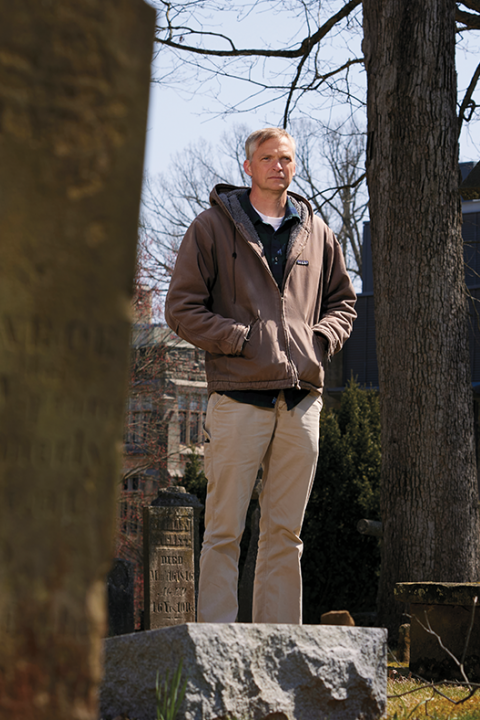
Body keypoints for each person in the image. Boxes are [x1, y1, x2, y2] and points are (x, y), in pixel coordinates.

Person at [165, 127, 357, 624]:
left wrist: (318, 342)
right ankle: (216, 641)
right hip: (237, 398)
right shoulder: (211, 227)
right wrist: (238, 339)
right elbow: (181, 308)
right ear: (248, 166)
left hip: (301, 401)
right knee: (224, 531)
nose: (279, 165)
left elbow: (343, 303)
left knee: (285, 534)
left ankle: (280, 643)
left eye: (287, 158)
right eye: (268, 158)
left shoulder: (318, 232)